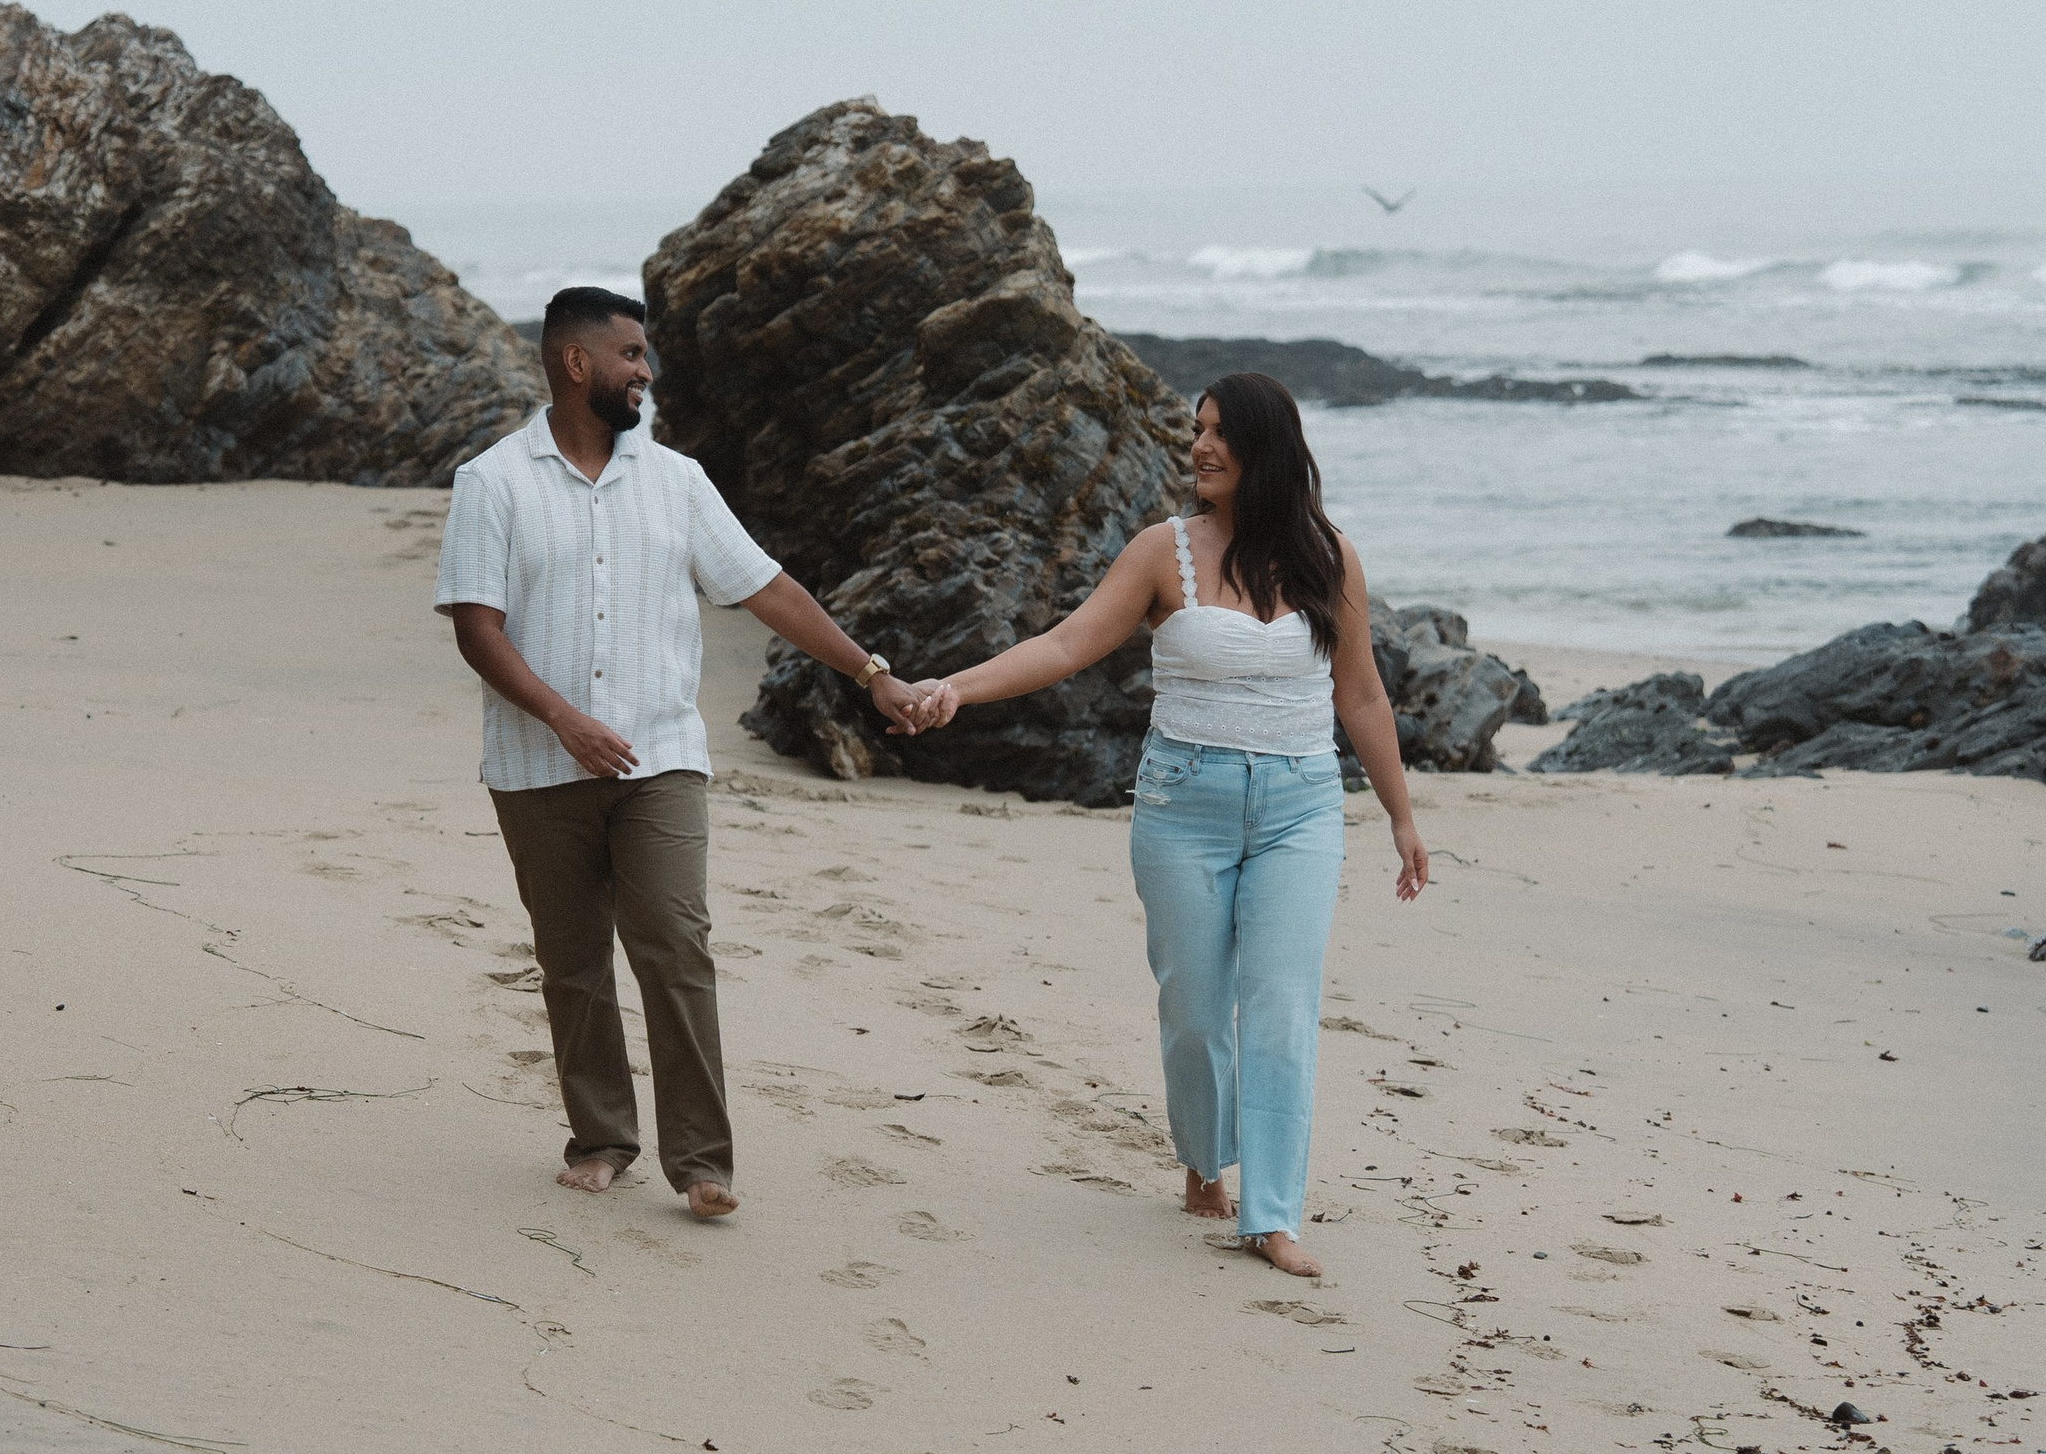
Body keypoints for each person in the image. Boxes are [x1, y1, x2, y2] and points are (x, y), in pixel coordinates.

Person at [898, 372, 1426, 1276]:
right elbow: (1064, 645)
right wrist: (957, 688)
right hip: (1185, 807)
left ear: (1270, 447)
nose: (1202, 447)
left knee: (1280, 1005)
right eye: (1197, 430)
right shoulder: (1162, 552)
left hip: (1302, 807)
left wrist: (1401, 817)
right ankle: (1200, 1162)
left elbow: (1362, 693)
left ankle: (1269, 1214)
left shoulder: (1329, 557)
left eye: (1222, 432)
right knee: (1192, 1009)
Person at [437, 286, 922, 1220]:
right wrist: (561, 717)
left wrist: (872, 674)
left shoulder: (678, 481)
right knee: (573, 963)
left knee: (675, 945)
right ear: (576, 364)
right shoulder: (492, 482)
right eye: (629, 355)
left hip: (661, 759)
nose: (645, 372)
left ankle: (701, 1160)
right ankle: (602, 1139)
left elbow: (768, 589)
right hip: (538, 772)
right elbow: (476, 629)